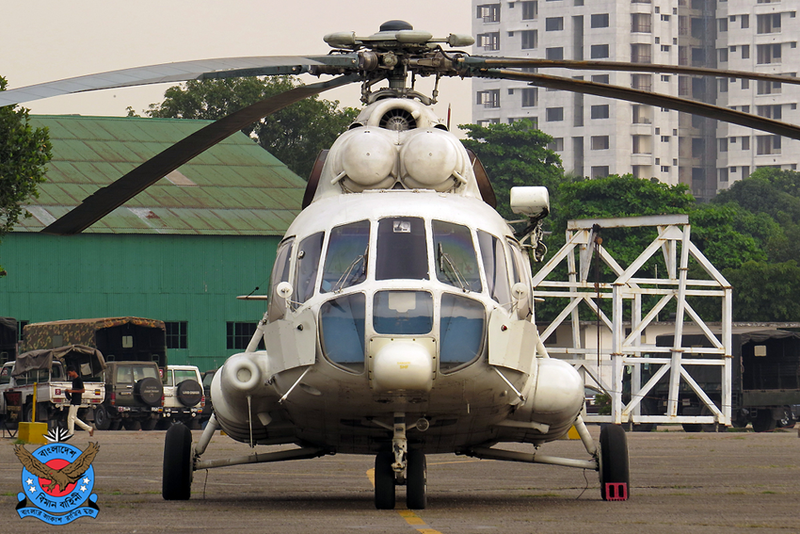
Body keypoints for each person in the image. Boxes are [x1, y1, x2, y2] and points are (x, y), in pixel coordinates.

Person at [66, 368, 94, 437]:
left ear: (74, 371)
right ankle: (89, 429)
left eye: (69, 373)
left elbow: (82, 390)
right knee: (74, 418)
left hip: (76, 401)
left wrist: (72, 391)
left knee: (70, 417)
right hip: (73, 400)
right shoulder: (74, 380)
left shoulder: (79, 380)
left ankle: (70, 433)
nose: (69, 375)